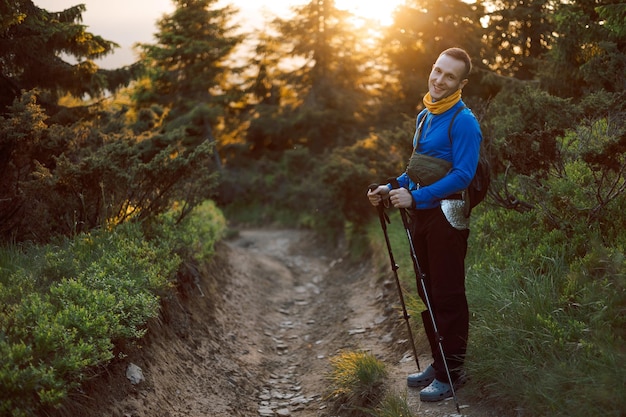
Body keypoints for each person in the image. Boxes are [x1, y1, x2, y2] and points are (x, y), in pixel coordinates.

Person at [367, 47, 482, 402]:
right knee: (428, 293)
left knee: (447, 296)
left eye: (450, 76)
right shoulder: (424, 116)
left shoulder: (464, 121)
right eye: (437, 70)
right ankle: (439, 363)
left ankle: (452, 375)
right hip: (422, 217)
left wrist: (416, 198)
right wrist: (392, 187)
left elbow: (463, 175)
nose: (439, 79)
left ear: (461, 83)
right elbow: (417, 169)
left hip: (447, 220)